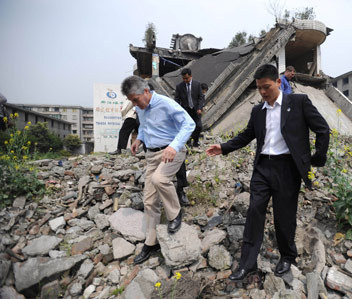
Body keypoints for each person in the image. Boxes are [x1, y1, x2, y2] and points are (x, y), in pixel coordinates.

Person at [206, 64, 330, 280]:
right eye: (259, 88)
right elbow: (246, 135)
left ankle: (287, 257)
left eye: (266, 87)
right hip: (263, 167)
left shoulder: (298, 103)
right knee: (254, 210)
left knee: (284, 216)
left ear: (278, 82)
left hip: (288, 169)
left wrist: (317, 158)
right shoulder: (257, 111)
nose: (262, 92)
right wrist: (224, 147)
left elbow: (322, 129)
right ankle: (248, 263)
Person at [121, 75, 195, 265]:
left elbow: (189, 124)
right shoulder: (140, 107)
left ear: (146, 91)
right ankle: (151, 242)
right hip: (152, 155)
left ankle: (175, 213)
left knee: (160, 179)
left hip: (172, 152)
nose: (135, 104)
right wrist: (139, 140)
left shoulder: (166, 104)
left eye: (135, 100)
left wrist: (174, 146)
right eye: (132, 101)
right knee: (149, 200)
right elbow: (146, 127)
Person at [175, 68, 204, 147]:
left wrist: (199, 108)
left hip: (196, 110)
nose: (185, 80)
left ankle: (195, 141)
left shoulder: (197, 84)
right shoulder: (179, 87)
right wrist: (179, 110)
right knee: (187, 127)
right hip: (185, 111)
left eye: (186, 78)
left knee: (198, 126)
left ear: (191, 76)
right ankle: (188, 143)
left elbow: (201, 97)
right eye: (183, 78)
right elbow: (177, 99)